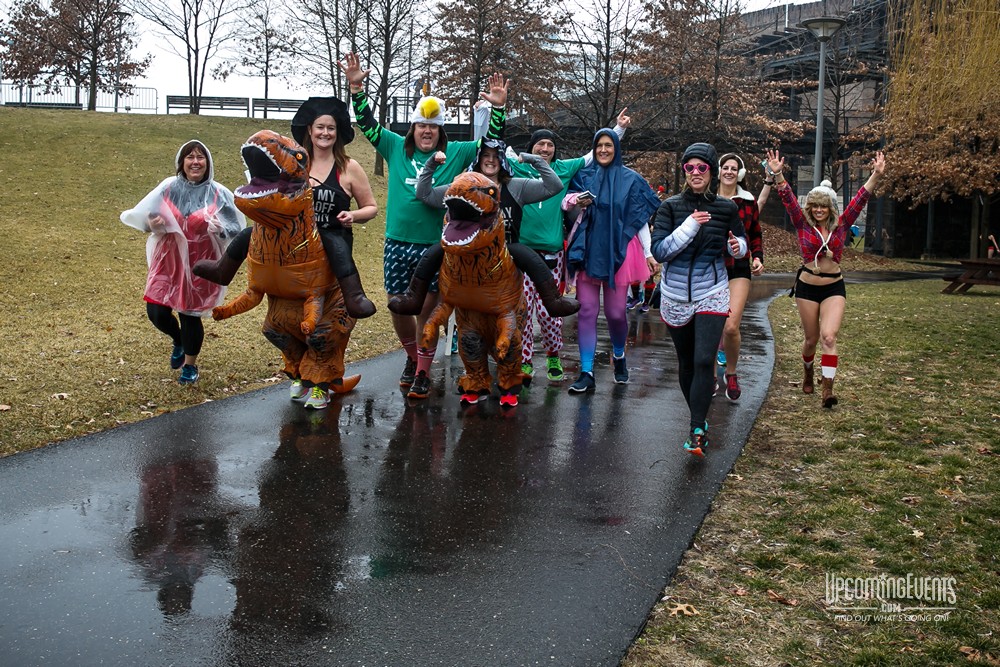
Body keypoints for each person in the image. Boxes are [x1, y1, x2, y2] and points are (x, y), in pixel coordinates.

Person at [339, 51, 509, 391]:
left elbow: (491, 142)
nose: (426, 131)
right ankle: (411, 356)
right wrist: (357, 90)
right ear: (413, 128)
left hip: (435, 246)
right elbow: (368, 125)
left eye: (432, 126)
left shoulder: (458, 152)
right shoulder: (393, 147)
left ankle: (421, 371)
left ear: (440, 129)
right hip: (396, 243)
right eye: (421, 125)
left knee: (427, 309)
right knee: (398, 307)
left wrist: (499, 109)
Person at [397, 138, 577, 396]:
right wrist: (430, 166)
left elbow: (554, 185)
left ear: (502, 160)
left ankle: (554, 302)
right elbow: (425, 194)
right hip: (466, 261)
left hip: (504, 257)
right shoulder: (464, 186)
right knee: (436, 252)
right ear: (478, 159)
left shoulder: (516, 186)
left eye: (495, 155)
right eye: (485, 155)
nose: (490, 160)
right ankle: (414, 299)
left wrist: (534, 159)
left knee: (527, 260)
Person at [193, 96, 379, 321]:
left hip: (328, 231)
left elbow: (371, 208)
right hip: (289, 235)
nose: (325, 133)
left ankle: (354, 295)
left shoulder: (349, 167)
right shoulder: (290, 163)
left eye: (331, 128)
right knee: (247, 234)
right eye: (320, 127)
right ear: (310, 129)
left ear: (338, 132)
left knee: (335, 244)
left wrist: (353, 215)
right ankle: (222, 270)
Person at [512, 110, 630, 384]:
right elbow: (489, 152)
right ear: (530, 148)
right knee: (523, 309)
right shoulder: (517, 167)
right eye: (539, 144)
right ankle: (525, 360)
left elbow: (597, 153)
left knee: (549, 309)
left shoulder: (564, 168)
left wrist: (619, 129)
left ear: (555, 150)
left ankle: (553, 354)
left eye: (550, 145)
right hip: (522, 252)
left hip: (552, 253)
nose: (544, 148)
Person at [765, 148, 885, 408]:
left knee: (829, 337)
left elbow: (861, 198)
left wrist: (875, 174)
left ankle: (827, 389)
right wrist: (778, 175)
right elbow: (788, 199)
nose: (819, 210)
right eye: (815, 206)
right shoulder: (802, 224)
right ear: (811, 207)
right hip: (807, 288)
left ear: (830, 208)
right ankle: (808, 370)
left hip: (834, 288)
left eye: (823, 206)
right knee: (811, 339)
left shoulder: (841, 224)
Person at [121, 140, 245, 384]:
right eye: (190, 157)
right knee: (156, 310)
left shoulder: (219, 193)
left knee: (189, 314)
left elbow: (236, 228)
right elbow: (147, 217)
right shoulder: (168, 188)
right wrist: (151, 224)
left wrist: (220, 229)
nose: (195, 162)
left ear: (208, 163)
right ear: (182, 162)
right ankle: (177, 339)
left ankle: (190, 365)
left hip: (201, 262)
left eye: (201, 157)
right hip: (169, 259)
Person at [651, 142, 747, 456]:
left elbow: (742, 240)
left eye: (701, 167)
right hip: (676, 294)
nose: (695, 173)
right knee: (687, 363)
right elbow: (661, 251)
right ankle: (697, 417)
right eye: (689, 168)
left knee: (705, 359)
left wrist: (738, 248)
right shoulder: (669, 207)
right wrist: (691, 224)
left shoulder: (726, 207)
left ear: (711, 172)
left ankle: (696, 427)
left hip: (712, 290)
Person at [562, 128, 660, 394]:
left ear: (616, 147)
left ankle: (619, 355)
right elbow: (564, 202)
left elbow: (639, 219)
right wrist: (574, 201)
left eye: (608, 145)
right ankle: (586, 372)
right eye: (599, 146)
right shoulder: (583, 176)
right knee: (586, 311)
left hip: (620, 252)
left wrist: (648, 253)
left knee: (616, 313)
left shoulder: (632, 180)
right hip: (589, 249)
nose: (603, 150)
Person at [715, 153, 764, 401]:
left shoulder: (747, 201)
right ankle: (711, 375)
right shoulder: (708, 198)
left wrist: (757, 257)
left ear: (740, 173)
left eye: (734, 168)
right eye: (725, 167)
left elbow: (755, 233)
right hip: (711, 268)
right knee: (711, 325)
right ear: (719, 170)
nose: (729, 171)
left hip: (738, 268)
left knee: (731, 325)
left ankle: (731, 373)